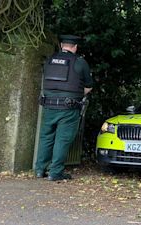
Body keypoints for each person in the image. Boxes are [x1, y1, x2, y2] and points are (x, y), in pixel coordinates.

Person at [35, 35, 93, 181]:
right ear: (75, 47)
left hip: (48, 106)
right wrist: (77, 96)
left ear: (61, 45)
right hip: (68, 108)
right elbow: (88, 87)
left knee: (46, 137)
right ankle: (55, 172)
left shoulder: (49, 60)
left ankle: (40, 170)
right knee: (63, 139)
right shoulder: (79, 63)